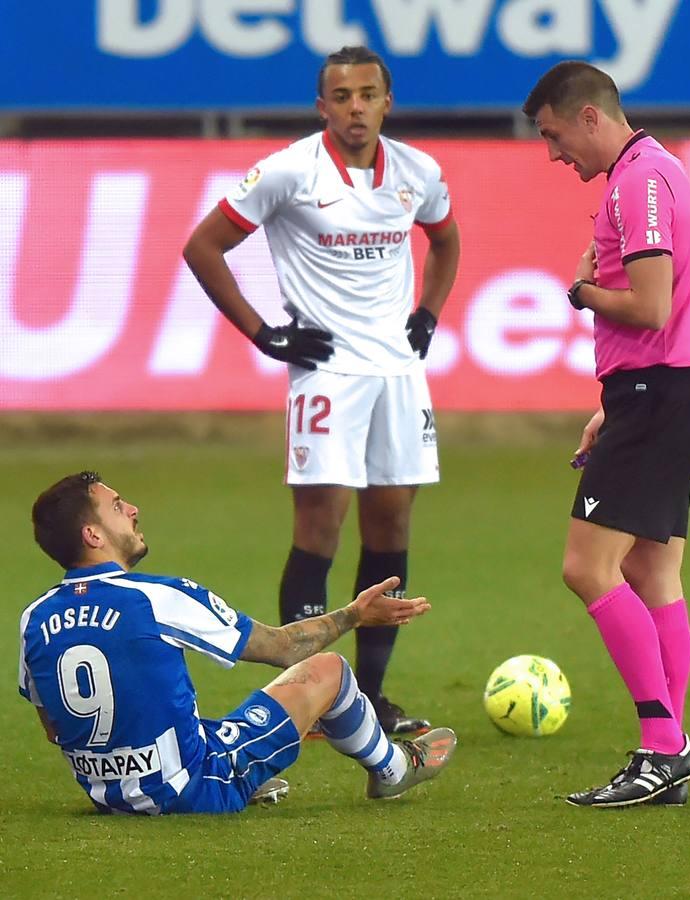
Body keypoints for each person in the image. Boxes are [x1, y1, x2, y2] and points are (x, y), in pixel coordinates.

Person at [183, 45, 460, 735]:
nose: (356, 107)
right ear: (322, 106)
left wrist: (428, 311)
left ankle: (367, 698)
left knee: (392, 524)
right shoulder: (287, 171)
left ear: (387, 101)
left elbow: (447, 240)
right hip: (327, 374)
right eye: (342, 96)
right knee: (320, 532)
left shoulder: (418, 171)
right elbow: (202, 246)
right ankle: (301, 703)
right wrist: (262, 333)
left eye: (369, 94)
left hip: (399, 372)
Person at [18, 471, 457, 816]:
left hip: (107, 795)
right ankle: (395, 769)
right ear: (93, 536)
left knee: (183, 720)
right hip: (193, 791)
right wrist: (355, 614)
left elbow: (56, 728)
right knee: (330, 670)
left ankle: (211, 770)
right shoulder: (157, 597)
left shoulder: (34, 618)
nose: (133, 509)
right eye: (116, 507)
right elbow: (285, 648)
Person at [522, 62, 690, 808]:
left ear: (590, 119)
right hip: (671, 391)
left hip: (658, 396)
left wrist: (581, 294)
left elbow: (651, 306)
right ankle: (670, 750)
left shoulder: (636, 183)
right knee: (652, 573)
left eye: (554, 135)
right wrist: (617, 397)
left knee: (588, 568)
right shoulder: (654, 170)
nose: (553, 154)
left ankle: (663, 747)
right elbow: (667, 321)